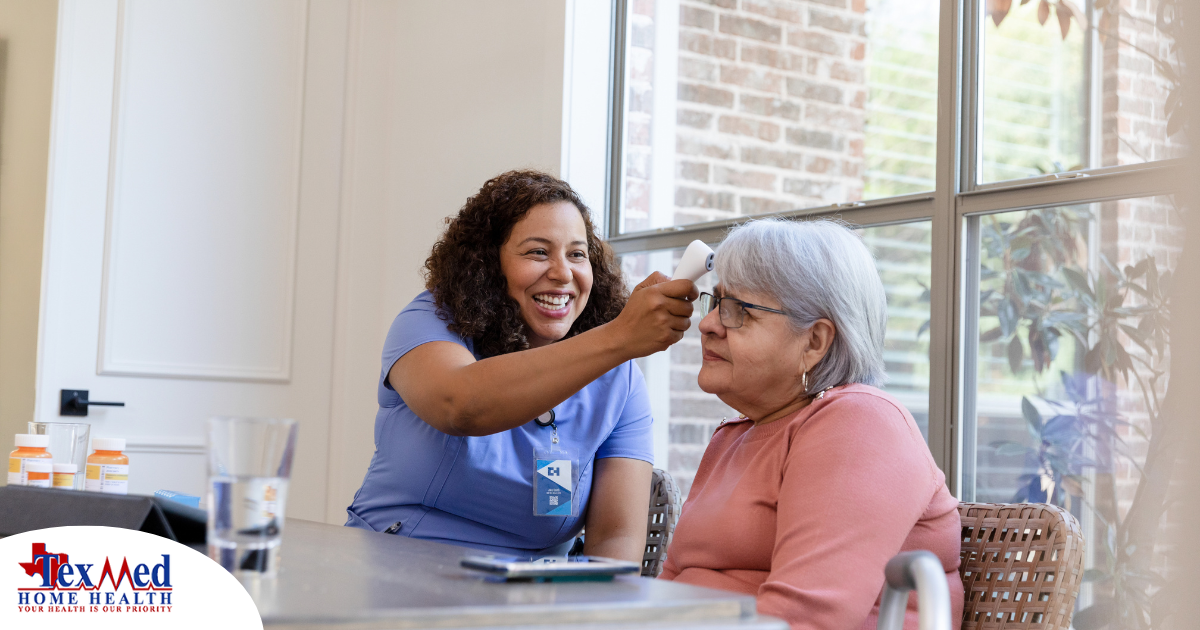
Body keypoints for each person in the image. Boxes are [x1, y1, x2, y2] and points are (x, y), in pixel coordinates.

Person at [345, 170, 697, 562]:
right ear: (488, 264)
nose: (563, 273)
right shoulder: (431, 321)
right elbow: (461, 405)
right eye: (537, 252)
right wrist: (619, 337)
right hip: (396, 578)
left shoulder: (619, 380)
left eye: (577, 254)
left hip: (530, 603)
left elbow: (615, 544)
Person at [658, 218, 963, 630]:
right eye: (715, 304)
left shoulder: (858, 424)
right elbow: (665, 592)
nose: (708, 324)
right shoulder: (732, 437)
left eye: (737, 312)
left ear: (814, 342)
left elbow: (802, 620)